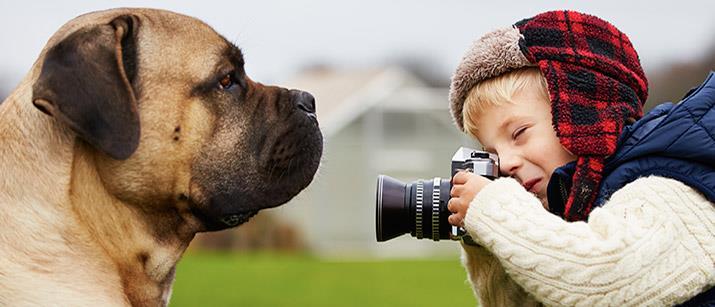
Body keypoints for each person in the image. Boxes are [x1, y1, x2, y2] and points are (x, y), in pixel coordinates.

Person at [445, 10, 715, 306]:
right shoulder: (576, 205)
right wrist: (484, 239)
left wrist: (495, 210)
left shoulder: (671, 186)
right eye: (492, 152)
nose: (505, 163)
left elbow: (602, 284)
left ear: (582, 111)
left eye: (519, 132)